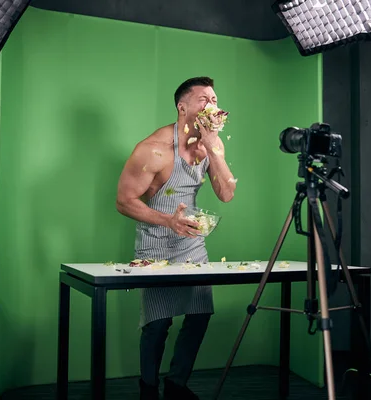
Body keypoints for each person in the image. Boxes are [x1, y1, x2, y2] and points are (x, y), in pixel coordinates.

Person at [116, 76, 237, 400]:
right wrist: (168, 221)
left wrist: (215, 149)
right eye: (203, 100)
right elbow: (124, 201)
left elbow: (226, 194)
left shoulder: (211, 144)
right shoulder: (153, 150)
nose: (212, 106)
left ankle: (177, 384)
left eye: (214, 99)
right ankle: (148, 388)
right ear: (183, 107)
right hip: (155, 240)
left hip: (191, 241)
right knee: (158, 323)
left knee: (199, 314)